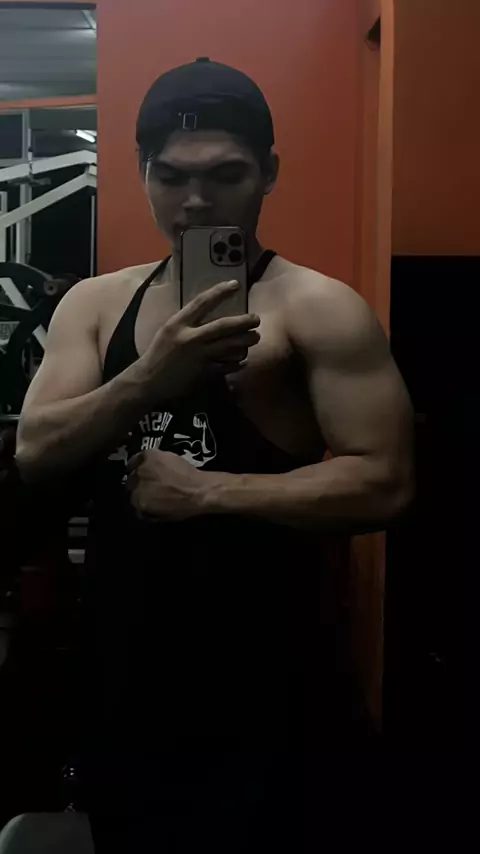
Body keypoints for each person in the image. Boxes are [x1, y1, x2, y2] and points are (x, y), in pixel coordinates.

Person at [16, 59, 414, 851]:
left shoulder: (318, 309)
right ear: (142, 173)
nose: (195, 202)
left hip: (271, 683)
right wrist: (149, 379)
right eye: (171, 177)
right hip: (126, 674)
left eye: (226, 175)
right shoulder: (94, 305)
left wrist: (208, 492)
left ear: (268, 172)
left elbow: (386, 483)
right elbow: (35, 452)